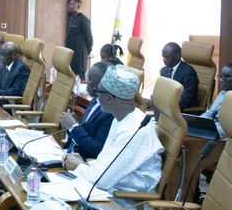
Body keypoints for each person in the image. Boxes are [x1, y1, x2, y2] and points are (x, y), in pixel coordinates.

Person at [62, 66, 163, 194]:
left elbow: (100, 180)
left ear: (109, 98)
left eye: (98, 91)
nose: (96, 96)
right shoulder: (122, 118)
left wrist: (79, 166)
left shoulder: (133, 131)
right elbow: (107, 162)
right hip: (111, 188)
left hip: (125, 199)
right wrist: (85, 165)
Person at [59, 62, 115, 160]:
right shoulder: (94, 101)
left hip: (82, 161)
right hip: (69, 153)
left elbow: (97, 149)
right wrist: (75, 123)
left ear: (103, 83)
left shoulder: (110, 113)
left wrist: (73, 126)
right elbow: (87, 133)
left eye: (90, 79)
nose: (86, 82)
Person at [156, 42, 198, 111]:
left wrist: (167, 107)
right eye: (163, 56)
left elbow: (185, 99)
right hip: (167, 108)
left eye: (167, 57)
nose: (164, 59)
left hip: (183, 110)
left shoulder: (189, 72)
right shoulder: (163, 71)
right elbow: (162, 93)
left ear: (177, 56)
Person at [201, 63, 232, 137]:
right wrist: (196, 121)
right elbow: (209, 113)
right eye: (221, 76)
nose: (221, 80)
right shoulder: (222, 93)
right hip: (212, 126)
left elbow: (228, 128)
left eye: (225, 77)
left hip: (222, 131)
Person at [65, 0, 93, 80]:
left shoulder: (84, 20)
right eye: (69, 4)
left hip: (79, 54)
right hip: (70, 52)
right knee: (70, 76)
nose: (69, 6)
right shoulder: (70, 18)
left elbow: (89, 37)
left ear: (78, 7)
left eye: (72, 4)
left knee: (79, 77)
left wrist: (88, 51)